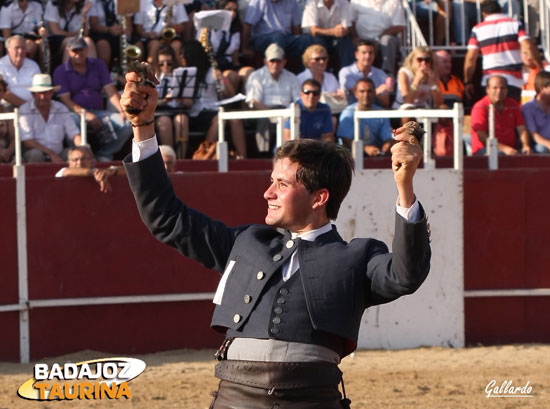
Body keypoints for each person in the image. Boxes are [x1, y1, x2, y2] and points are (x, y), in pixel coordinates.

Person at [120, 62, 430, 408]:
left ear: (319, 197)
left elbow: (406, 274)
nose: (268, 193)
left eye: (281, 184)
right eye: (272, 182)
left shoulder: (356, 257)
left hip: (311, 400)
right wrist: (143, 126)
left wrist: (405, 188)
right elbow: (165, 218)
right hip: (235, 398)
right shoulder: (248, 242)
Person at [53, 36, 132, 161]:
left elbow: (110, 91)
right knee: (69, 121)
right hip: (76, 114)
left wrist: (122, 110)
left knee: (127, 123)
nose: (78, 54)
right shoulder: (61, 71)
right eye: (75, 51)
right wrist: (86, 114)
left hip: (99, 112)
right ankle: (80, 156)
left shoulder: (98, 64)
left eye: (81, 50)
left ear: (86, 49)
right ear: (69, 51)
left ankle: (105, 154)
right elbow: (65, 100)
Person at [463, 0, 539, 102]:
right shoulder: (515, 24)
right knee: (512, 114)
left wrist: (468, 81)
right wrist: (540, 67)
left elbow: (471, 58)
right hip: (513, 82)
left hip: (490, 82)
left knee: (493, 116)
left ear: (483, 13)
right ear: (501, 10)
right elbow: (528, 46)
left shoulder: (477, 29)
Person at [246, 43, 300, 152]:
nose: (275, 64)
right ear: (265, 61)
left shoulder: (292, 77)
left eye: (278, 61)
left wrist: (284, 114)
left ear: (284, 61)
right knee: (265, 119)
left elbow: (297, 100)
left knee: (295, 119)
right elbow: (254, 101)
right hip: (264, 111)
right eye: (272, 61)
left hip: (286, 111)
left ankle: (291, 153)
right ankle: (263, 154)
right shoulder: (256, 76)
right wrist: (272, 113)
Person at [20, 73, 82, 163]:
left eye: (46, 93)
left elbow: (74, 134)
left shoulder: (61, 108)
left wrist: (83, 148)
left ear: (51, 93)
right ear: (33, 94)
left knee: (75, 154)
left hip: (59, 154)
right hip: (37, 154)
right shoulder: (24, 110)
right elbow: (27, 141)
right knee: (35, 154)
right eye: (39, 93)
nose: (42, 97)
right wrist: (51, 153)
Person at [470, 75, 531, 156]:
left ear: (507, 90)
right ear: (487, 89)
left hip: (511, 150)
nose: (499, 91)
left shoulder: (513, 104)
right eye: (495, 88)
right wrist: (504, 148)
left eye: (502, 88)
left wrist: (526, 145)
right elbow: (482, 136)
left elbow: (521, 128)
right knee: (498, 154)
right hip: (485, 150)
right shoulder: (480, 107)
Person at [337, 77, 393, 156]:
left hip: (377, 154)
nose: (366, 95)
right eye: (362, 91)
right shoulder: (348, 112)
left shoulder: (381, 112)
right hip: (352, 156)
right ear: (356, 94)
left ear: (374, 93)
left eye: (369, 91)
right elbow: (346, 140)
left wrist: (387, 146)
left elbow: (387, 137)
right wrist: (365, 148)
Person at [349, 0, 405, 77]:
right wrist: (355, 37)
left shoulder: (394, 2)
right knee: (346, 42)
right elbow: (351, 21)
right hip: (361, 39)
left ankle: (387, 73)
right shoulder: (357, 1)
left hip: (383, 38)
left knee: (387, 40)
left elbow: (399, 26)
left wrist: (378, 39)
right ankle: (354, 74)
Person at [242, 0, 313, 59]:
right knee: (278, 37)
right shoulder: (259, 1)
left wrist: (297, 39)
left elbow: (296, 27)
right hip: (262, 39)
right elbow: (248, 25)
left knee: (306, 40)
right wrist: (245, 47)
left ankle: (306, 73)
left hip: (285, 38)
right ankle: (278, 71)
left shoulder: (291, 2)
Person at [153, 45, 191, 152]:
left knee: (182, 120)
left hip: (178, 110)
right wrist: (163, 101)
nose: (165, 66)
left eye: (169, 62)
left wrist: (180, 98)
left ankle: (181, 157)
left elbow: (190, 103)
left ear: (174, 62)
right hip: (160, 112)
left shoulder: (182, 76)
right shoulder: (153, 78)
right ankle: (169, 156)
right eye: (161, 63)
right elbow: (149, 102)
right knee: (165, 122)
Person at [301, 0, 354, 67]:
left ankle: (347, 70)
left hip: (335, 36)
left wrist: (342, 31)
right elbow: (314, 30)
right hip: (316, 36)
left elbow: (347, 27)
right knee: (317, 40)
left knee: (346, 40)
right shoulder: (312, 2)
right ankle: (320, 71)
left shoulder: (343, 2)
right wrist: (333, 31)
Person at [338, 39, 390, 106]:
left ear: (374, 55)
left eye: (370, 53)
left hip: (375, 110)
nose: (367, 56)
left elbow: (386, 103)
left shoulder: (380, 74)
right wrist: (377, 91)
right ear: (356, 55)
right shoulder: (346, 72)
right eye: (364, 53)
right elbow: (358, 93)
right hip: (353, 110)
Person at [393, 46, 443, 112]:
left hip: (422, 107)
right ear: (412, 60)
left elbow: (439, 102)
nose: (423, 63)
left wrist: (432, 84)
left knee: (443, 108)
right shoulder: (404, 73)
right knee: (409, 109)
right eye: (420, 60)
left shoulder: (433, 74)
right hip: (403, 107)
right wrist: (417, 80)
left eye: (427, 60)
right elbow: (407, 101)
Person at [55, 145, 124, 193]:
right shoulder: (63, 171)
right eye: (75, 160)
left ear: (93, 161)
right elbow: (66, 171)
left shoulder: (102, 172)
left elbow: (128, 171)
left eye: (83, 159)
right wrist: (95, 173)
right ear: (69, 163)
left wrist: (109, 172)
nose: (79, 163)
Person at [0, 35, 41, 107]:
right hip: (8, 106)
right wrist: (25, 106)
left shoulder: (33, 65)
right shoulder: (1, 65)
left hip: (33, 106)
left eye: (23, 48)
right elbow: (3, 93)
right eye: (17, 48)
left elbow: (40, 89)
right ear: (8, 50)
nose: (20, 51)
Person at [522, 71, 550, 153]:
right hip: (537, 145)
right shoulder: (528, 107)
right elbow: (533, 134)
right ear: (542, 89)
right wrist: (548, 144)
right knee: (541, 148)